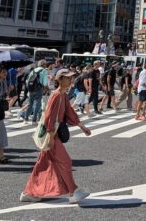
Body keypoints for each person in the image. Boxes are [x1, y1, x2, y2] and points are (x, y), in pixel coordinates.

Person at [19, 69, 92, 204]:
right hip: (52, 134)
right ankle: (73, 191)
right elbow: (49, 117)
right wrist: (51, 136)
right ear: (59, 80)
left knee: (42, 164)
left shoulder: (63, 95)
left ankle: (28, 192)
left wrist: (81, 126)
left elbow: (69, 112)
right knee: (65, 161)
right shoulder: (57, 95)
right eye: (67, 78)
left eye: (71, 78)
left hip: (53, 133)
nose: (70, 80)